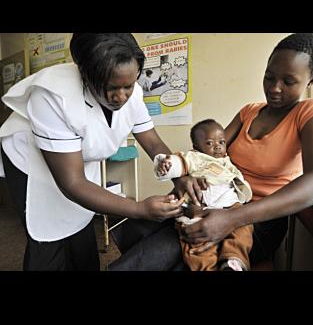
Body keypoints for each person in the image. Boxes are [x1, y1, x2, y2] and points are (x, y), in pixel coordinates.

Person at [109, 32, 313, 271]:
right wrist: (185, 175)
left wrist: (232, 218)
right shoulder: (249, 112)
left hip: (254, 221)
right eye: (269, 77)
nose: (275, 88)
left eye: (288, 81)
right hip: (213, 203)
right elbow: (205, 152)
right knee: (147, 235)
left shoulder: (309, 112)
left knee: (174, 252)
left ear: (311, 80)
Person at [0, 33, 184, 271]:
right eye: (110, 88)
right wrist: (139, 209)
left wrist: (180, 175)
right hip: (30, 160)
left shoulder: (132, 91)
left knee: (80, 223)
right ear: (85, 75)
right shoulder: (53, 96)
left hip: (74, 162)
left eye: (128, 86)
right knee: (48, 235)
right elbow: (73, 183)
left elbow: (152, 143)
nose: (121, 97)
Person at [154, 119, 253, 271]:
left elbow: (237, 180)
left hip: (229, 205)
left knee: (244, 227)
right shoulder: (195, 158)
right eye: (209, 143)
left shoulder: (227, 162)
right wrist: (168, 165)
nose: (217, 146)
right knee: (198, 246)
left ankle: (233, 261)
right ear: (196, 147)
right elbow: (180, 162)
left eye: (221, 141)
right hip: (200, 207)